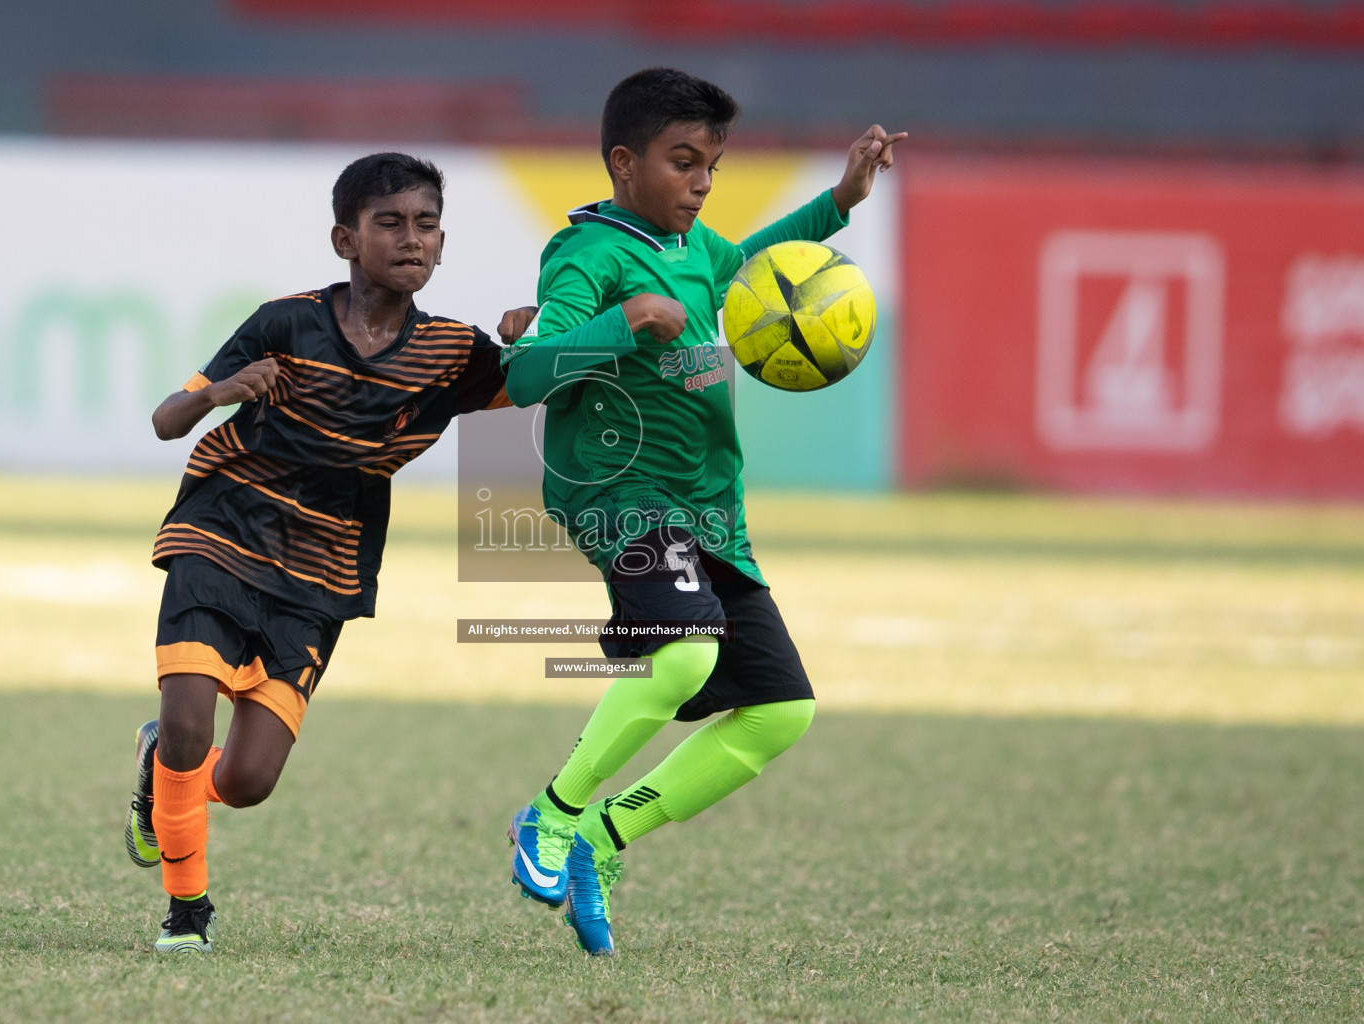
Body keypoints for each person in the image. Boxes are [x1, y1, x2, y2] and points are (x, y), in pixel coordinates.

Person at [501, 68, 905, 955]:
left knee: (779, 711)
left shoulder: (694, 248)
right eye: (683, 162)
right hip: (619, 494)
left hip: (709, 506)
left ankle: (604, 839)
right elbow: (524, 374)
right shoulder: (589, 256)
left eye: (712, 166)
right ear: (622, 162)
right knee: (684, 655)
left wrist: (840, 199)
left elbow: (756, 261)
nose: (701, 183)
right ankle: (552, 815)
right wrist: (622, 324)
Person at [124, 152, 534, 954]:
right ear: (346, 238)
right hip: (222, 528)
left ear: (443, 244)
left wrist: (538, 328)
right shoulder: (286, 320)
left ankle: (161, 773)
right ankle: (186, 914)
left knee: (245, 783)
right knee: (186, 716)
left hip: (323, 568)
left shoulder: (455, 352)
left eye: (425, 225)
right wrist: (217, 391)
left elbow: (540, 387)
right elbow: (168, 420)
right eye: (389, 222)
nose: (410, 239)